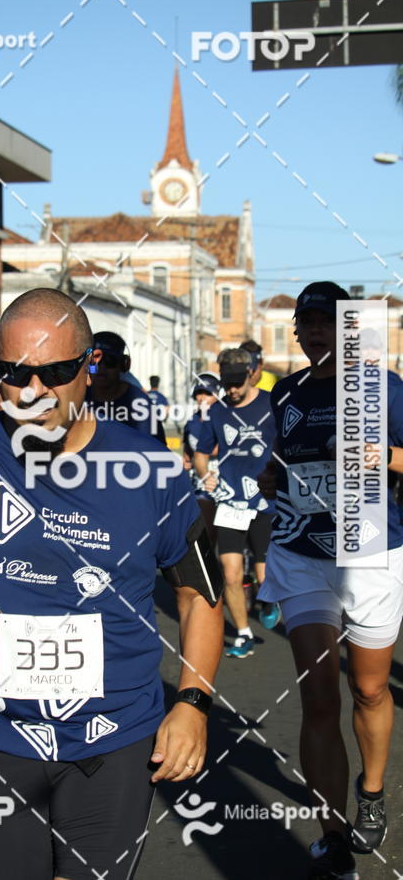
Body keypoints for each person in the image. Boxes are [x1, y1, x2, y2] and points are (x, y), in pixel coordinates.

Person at [0, 289, 224, 880]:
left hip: (115, 735)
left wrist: (193, 704)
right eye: (15, 373)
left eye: (56, 373)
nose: (34, 391)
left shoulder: (151, 468)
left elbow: (198, 594)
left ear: (89, 368)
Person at [257, 281, 403, 879]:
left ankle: (372, 791)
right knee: (319, 696)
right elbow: (281, 456)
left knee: (369, 688)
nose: (316, 332)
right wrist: (271, 476)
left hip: (369, 550)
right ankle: (333, 834)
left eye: (328, 322)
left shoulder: (381, 388)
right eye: (307, 324)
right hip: (301, 551)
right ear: (297, 333)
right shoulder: (285, 391)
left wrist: (383, 458)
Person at [194, 348, 280, 659]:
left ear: (251, 374)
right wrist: (206, 475)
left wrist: (278, 473)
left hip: (265, 502)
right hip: (230, 502)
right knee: (229, 573)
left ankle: (268, 598)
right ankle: (244, 634)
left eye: (236, 383)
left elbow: (287, 445)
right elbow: (201, 454)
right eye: (226, 383)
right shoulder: (216, 412)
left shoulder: (271, 404)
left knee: (264, 575)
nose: (231, 390)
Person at [87, 331, 166, 443]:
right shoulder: (77, 398)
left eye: (110, 361)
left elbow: (156, 448)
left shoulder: (140, 404)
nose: (102, 368)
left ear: (124, 365)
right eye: (95, 361)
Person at [182, 373, 221, 542]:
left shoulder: (225, 416)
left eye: (207, 393)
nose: (202, 398)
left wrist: (203, 454)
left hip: (223, 477)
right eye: (199, 393)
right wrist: (187, 460)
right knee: (205, 531)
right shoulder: (192, 420)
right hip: (200, 479)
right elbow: (187, 452)